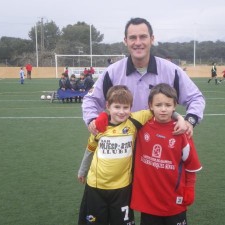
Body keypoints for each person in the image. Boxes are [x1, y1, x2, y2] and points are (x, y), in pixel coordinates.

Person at [77, 85, 185, 225]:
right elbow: (90, 149)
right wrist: (82, 170)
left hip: (123, 187)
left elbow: (159, 109)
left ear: (131, 108)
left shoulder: (134, 120)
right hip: (96, 186)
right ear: (108, 106)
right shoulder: (99, 126)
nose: (121, 112)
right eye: (117, 107)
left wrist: (180, 118)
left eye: (125, 107)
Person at [82, 17, 205, 136]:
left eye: (143, 37)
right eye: (132, 38)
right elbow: (90, 100)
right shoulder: (112, 72)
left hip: (159, 145)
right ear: (126, 41)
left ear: (152, 39)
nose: (138, 42)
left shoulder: (172, 71)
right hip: (124, 145)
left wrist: (190, 121)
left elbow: (195, 98)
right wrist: (92, 119)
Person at [130, 83, 202, 225]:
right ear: (150, 105)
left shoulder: (182, 131)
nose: (163, 109)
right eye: (158, 105)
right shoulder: (140, 126)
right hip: (148, 202)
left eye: (168, 105)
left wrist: (190, 188)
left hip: (174, 200)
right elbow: (119, 116)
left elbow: (191, 165)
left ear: (174, 105)